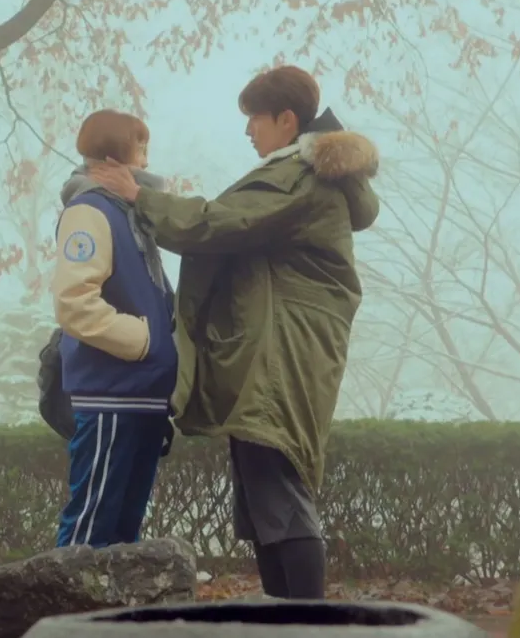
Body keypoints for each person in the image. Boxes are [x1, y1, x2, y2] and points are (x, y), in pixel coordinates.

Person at [88, 66, 380, 599]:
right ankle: (282, 621)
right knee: (263, 502)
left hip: (281, 354)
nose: (248, 131)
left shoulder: (298, 178)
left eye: (255, 120)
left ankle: (308, 626)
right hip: (276, 350)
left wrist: (140, 196)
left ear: (286, 120)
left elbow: (218, 223)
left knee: (280, 492)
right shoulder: (298, 175)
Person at [51, 109, 178, 549]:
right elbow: (75, 303)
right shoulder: (89, 210)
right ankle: (66, 598)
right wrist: (144, 341)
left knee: (125, 532)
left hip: (144, 392)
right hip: (111, 391)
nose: (148, 158)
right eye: (141, 148)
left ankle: (114, 600)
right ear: (115, 154)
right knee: (90, 529)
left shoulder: (130, 213)